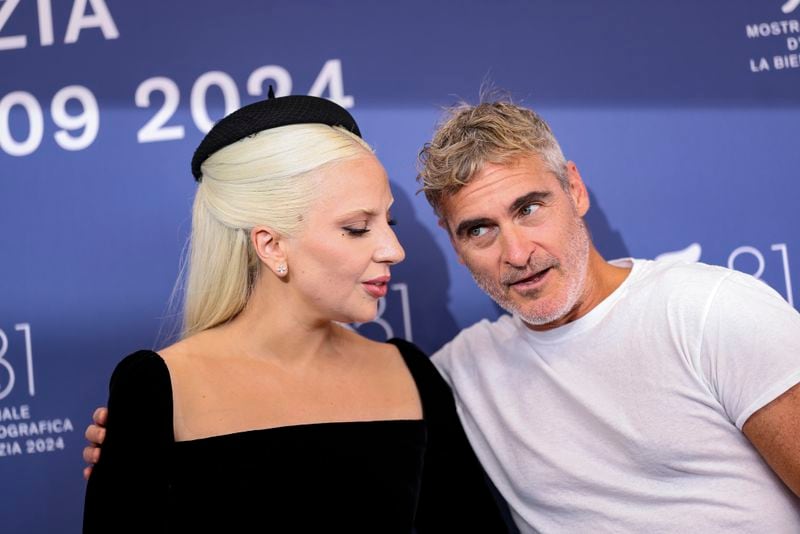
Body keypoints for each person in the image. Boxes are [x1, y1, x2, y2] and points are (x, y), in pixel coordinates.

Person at [81, 93, 509, 533]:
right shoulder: (157, 388)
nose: (394, 250)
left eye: (389, 223)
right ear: (271, 245)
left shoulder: (412, 373)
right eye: (357, 229)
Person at [417, 100, 800, 532]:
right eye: (479, 230)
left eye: (528, 209)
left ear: (575, 190)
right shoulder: (463, 371)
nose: (518, 254)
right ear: (455, 247)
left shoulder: (709, 309)